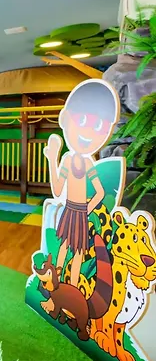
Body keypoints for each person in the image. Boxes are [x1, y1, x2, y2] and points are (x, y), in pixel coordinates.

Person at [44, 79, 120, 287]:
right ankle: (56, 285)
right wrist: (52, 159)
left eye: (98, 126)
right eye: (82, 120)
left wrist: (88, 209)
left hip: (80, 212)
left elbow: (100, 192)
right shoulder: (68, 159)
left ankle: (72, 288)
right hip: (69, 209)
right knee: (63, 246)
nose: (88, 132)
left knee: (77, 251)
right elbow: (57, 189)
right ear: (65, 119)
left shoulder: (88, 163)